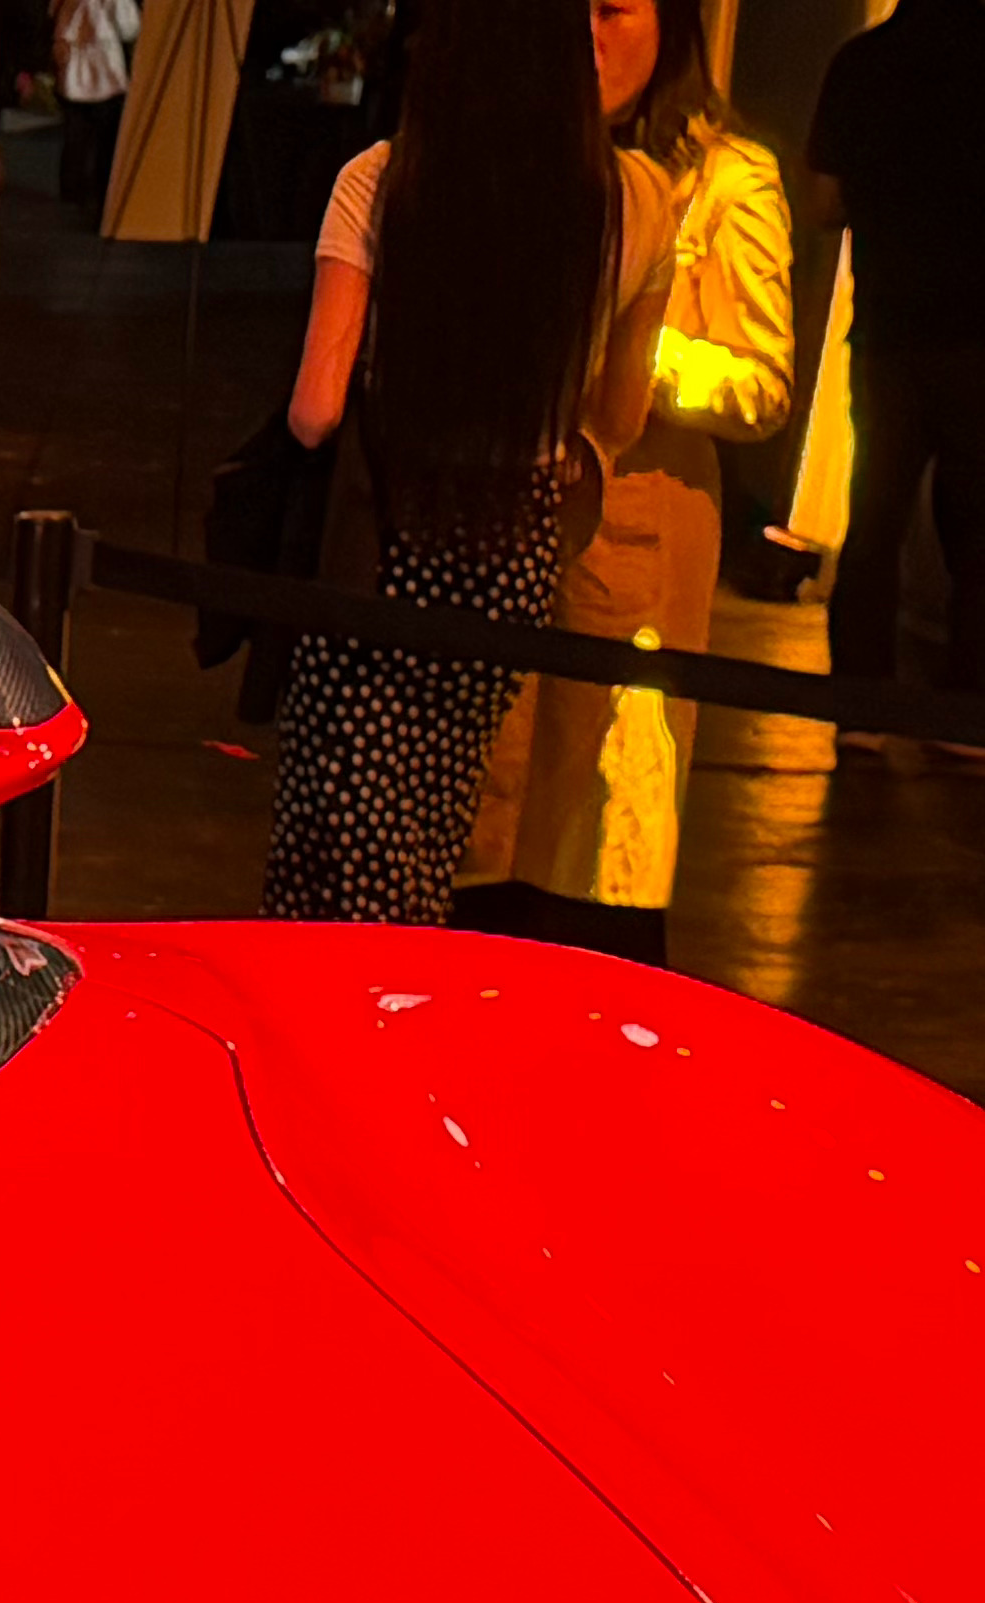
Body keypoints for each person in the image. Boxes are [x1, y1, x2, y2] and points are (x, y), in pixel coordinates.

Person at [255, 0, 672, 925]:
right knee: (437, 817)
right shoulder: (635, 198)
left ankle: (341, 1001)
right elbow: (618, 416)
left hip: (388, 542)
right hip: (517, 549)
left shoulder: (383, 180)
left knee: (343, 838)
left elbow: (315, 414)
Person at [461, 0, 793, 960]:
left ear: (671, 26)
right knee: (483, 842)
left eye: (616, 11)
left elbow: (763, 383)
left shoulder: (728, 176)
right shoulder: (517, 158)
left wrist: (632, 354)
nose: (588, 37)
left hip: (636, 551)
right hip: (500, 538)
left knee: (595, 854)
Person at [804, 0, 985, 730]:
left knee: (875, 518)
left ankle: (860, 702)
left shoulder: (859, 62)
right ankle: (966, 706)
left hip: (891, 331)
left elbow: (825, 201)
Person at [55, 0, 129, 214]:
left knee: (77, 138)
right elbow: (129, 26)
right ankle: (98, 190)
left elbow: (62, 28)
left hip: (77, 77)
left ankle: (73, 189)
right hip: (106, 77)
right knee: (104, 141)